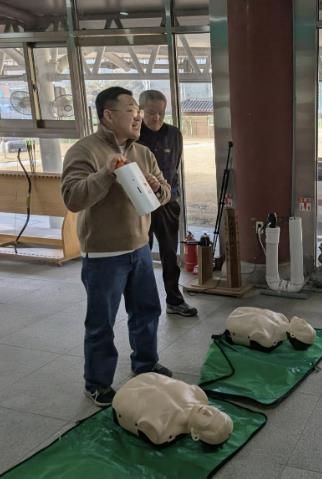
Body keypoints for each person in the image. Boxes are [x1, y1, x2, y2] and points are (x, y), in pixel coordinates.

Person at [61, 86, 173, 408]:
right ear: (108, 116)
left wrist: (157, 188)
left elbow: (164, 193)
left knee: (146, 311)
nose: (138, 116)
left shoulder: (143, 152)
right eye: (131, 110)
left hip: (139, 248)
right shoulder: (84, 151)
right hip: (103, 255)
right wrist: (106, 173)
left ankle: (146, 364)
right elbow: (73, 198)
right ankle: (97, 383)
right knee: (102, 323)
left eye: (138, 111)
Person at [138, 90, 198, 317]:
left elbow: (174, 167)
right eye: (151, 113)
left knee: (170, 254)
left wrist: (172, 196)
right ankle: (143, 303)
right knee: (142, 254)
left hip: (167, 202)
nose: (156, 118)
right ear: (141, 111)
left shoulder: (174, 134)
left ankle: (174, 300)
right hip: (141, 205)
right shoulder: (133, 136)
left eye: (161, 113)